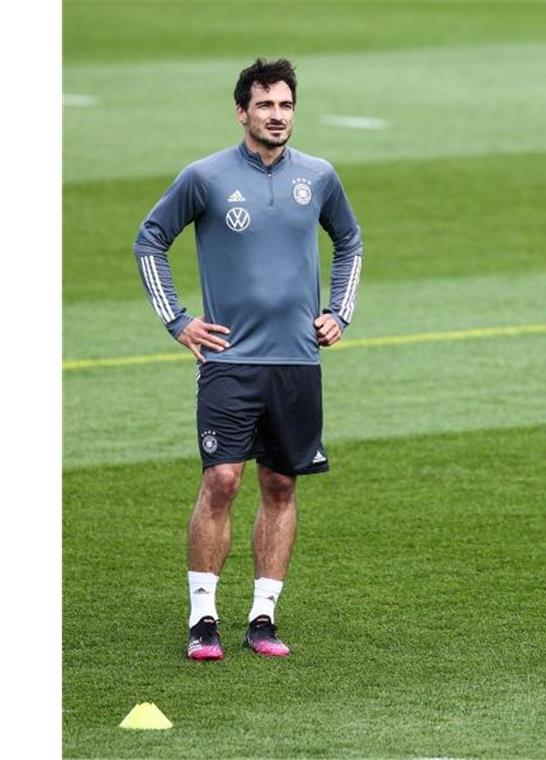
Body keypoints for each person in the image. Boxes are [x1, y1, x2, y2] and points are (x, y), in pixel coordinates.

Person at [133, 58, 364, 660]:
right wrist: (178, 321)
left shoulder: (319, 176)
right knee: (222, 480)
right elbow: (149, 240)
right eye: (265, 105)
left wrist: (339, 310)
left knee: (281, 483)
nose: (277, 116)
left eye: (286, 105)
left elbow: (351, 242)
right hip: (229, 360)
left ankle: (263, 617)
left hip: (297, 362)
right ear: (242, 111)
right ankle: (203, 617)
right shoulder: (205, 177)